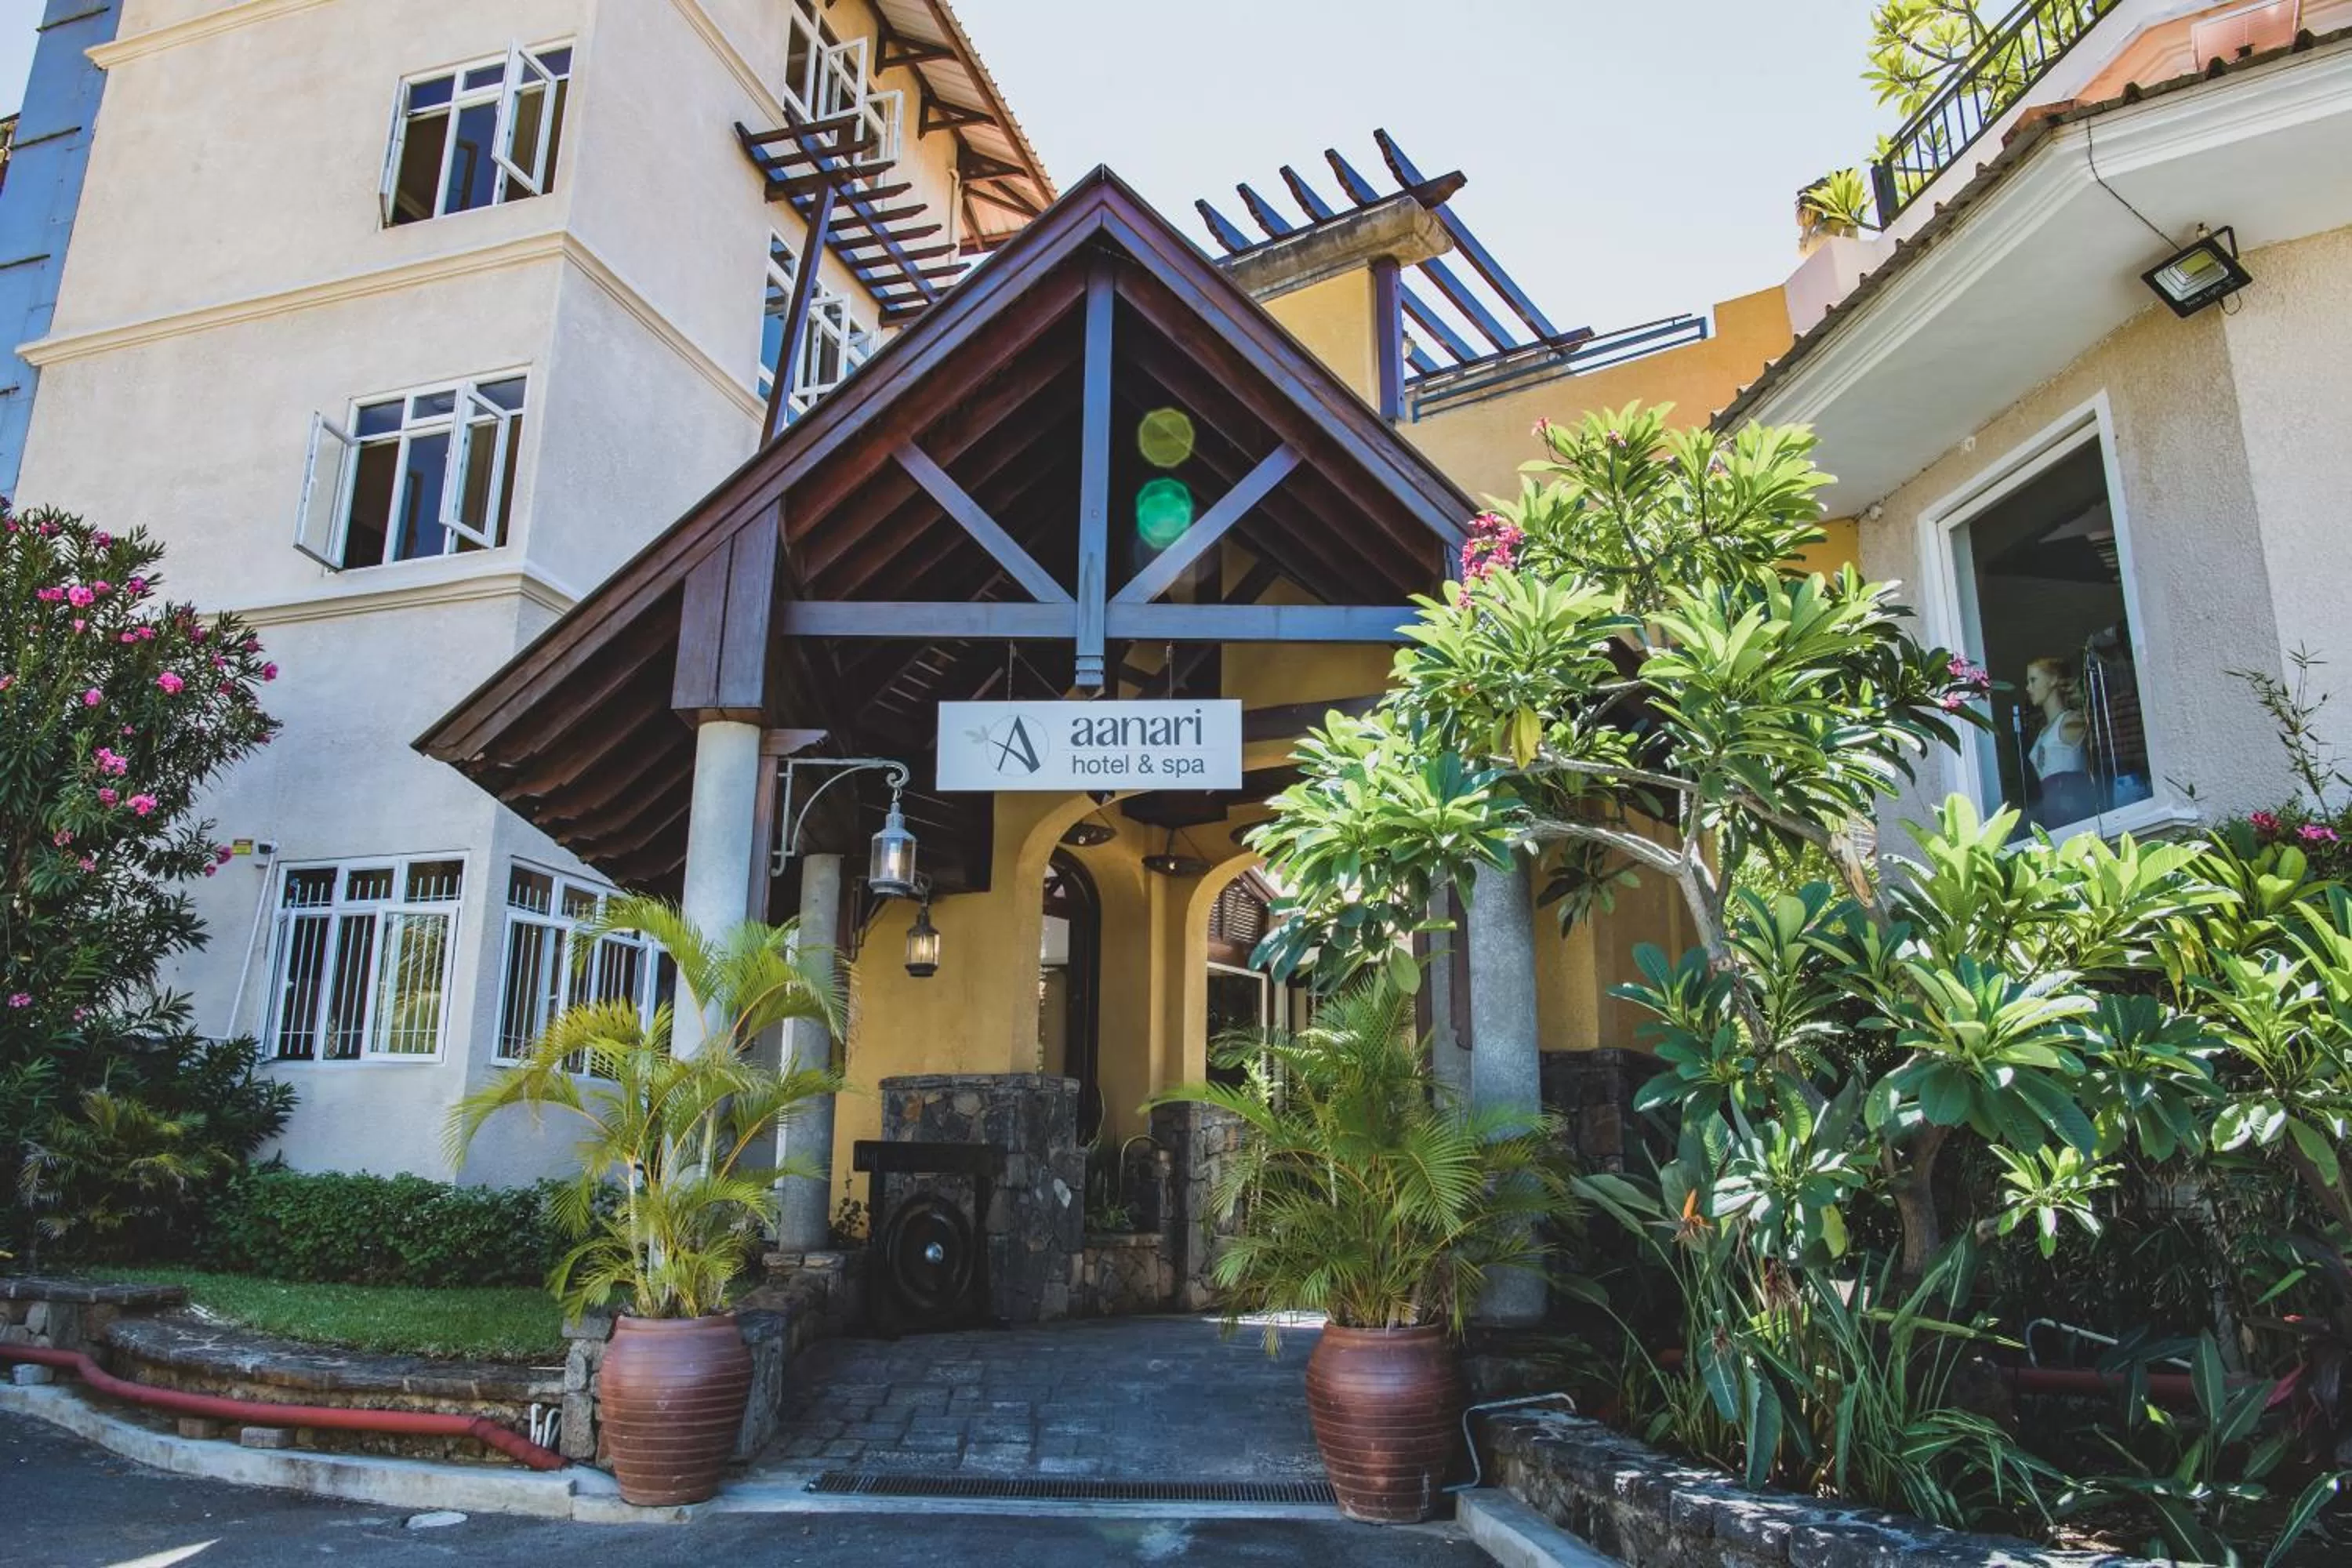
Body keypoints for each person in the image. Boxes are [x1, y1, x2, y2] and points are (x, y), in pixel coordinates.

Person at [2024, 655, 2095, 825]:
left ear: (2053, 680)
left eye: (2033, 680)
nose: (2028, 688)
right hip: (2052, 810)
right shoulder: (2043, 732)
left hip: (2073, 808)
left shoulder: (2071, 721)